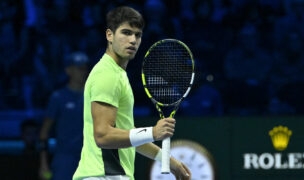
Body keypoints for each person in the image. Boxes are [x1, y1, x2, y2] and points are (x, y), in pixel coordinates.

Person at [72, 6, 191, 180]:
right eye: (126, 33)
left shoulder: (117, 74)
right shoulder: (107, 75)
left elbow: (128, 134)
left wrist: (169, 161)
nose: (133, 40)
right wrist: (153, 132)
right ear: (109, 35)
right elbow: (103, 135)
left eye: (137, 35)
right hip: (104, 176)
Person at [39, 51, 90, 180]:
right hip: (64, 159)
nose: (83, 72)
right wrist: (44, 163)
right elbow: (44, 133)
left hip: (90, 158)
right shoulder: (58, 97)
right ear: (68, 70)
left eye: (84, 68)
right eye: (79, 68)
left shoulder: (94, 96)